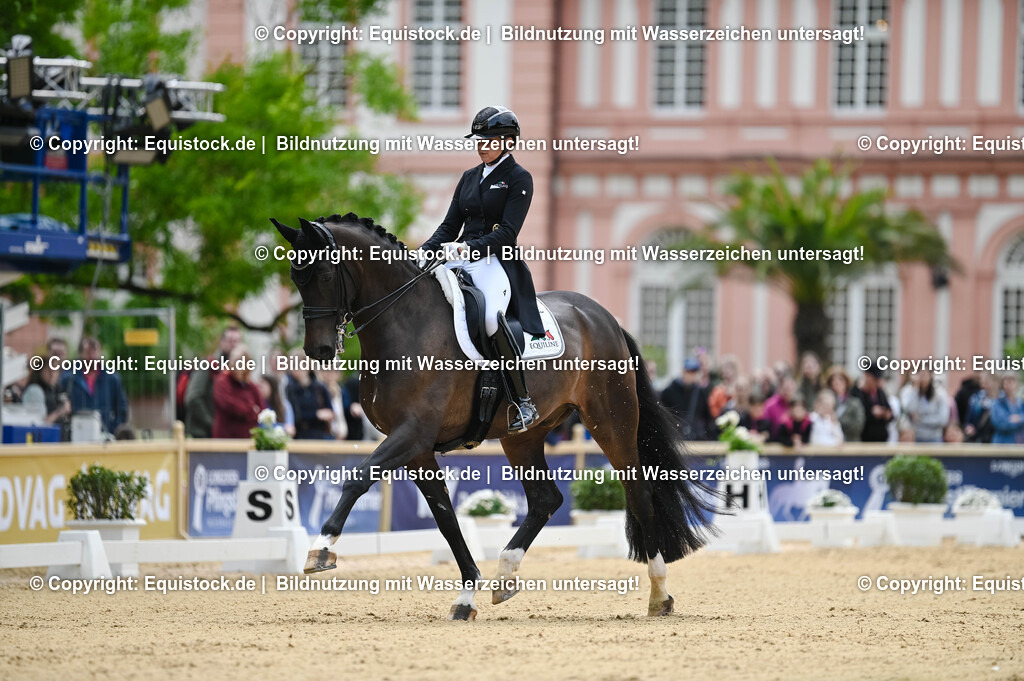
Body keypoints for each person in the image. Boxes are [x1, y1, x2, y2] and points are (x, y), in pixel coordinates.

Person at [416, 106, 544, 433]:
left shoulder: (519, 178)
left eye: (488, 139)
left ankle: (522, 400)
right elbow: (448, 226)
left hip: (495, 260)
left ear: (508, 141)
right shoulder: (469, 177)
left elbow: (508, 232)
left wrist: (470, 248)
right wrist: (424, 252)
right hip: (458, 254)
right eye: (479, 139)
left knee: (489, 317)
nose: (482, 145)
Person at [61, 336, 129, 435]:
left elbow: (122, 409)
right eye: (88, 352)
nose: (92, 356)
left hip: (104, 435)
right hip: (77, 432)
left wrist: (113, 430)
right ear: (80, 354)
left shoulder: (112, 378)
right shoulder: (69, 378)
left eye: (95, 351)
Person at [185, 326, 241, 437]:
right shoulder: (208, 364)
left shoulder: (237, 370)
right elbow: (193, 397)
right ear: (222, 342)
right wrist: (212, 423)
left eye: (236, 341)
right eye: (230, 341)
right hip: (204, 434)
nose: (233, 344)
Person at [212, 345, 264, 438]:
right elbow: (228, 405)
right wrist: (251, 409)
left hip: (248, 439)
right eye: (234, 361)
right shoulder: (222, 381)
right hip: (226, 439)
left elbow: (261, 410)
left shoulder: (251, 386)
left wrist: (250, 411)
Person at [284, 348, 334, 440]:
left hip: (321, 435)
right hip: (300, 436)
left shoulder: (320, 387)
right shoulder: (289, 388)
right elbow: (296, 416)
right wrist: (316, 414)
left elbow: (330, 411)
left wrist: (325, 414)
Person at [660, 357, 712, 440]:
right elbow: (663, 414)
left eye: (694, 372)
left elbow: (707, 417)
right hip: (675, 436)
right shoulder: (670, 391)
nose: (691, 375)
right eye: (689, 372)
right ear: (683, 371)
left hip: (696, 437)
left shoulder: (700, 392)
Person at [22, 354, 72, 437]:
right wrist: (59, 412)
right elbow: (38, 425)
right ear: (40, 371)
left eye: (55, 370)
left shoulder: (56, 390)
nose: (52, 374)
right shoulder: (35, 391)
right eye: (49, 370)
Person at [899, 371, 949, 443]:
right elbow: (909, 410)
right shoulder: (911, 391)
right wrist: (915, 388)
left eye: (924, 375)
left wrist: (921, 419)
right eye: (919, 375)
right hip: (916, 437)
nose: (922, 378)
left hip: (934, 438)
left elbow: (943, 419)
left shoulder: (940, 393)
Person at [851, 362, 892, 442]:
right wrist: (871, 413)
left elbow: (889, 411)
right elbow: (856, 417)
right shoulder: (856, 392)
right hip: (864, 439)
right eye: (875, 379)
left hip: (881, 439)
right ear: (867, 376)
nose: (877, 382)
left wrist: (886, 414)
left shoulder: (880, 392)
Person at [825, 366, 865, 443]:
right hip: (830, 446)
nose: (836, 382)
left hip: (850, 444)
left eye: (840, 379)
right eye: (833, 380)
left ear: (846, 382)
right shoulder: (826, 402)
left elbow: (858, 426)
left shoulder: (855, 403)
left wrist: (837, 422)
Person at [990, 374, 1024, 444]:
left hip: (1019, 443)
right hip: (1002, 444)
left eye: (1012, 381)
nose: (1009, 385)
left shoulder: (1021, 403)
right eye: (1007, 382)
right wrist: (1019, 421)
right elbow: (1000, 424)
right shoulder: (997, 403)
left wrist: (1018, 419)